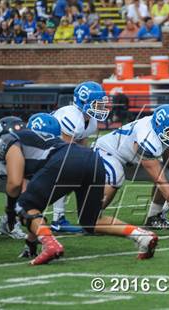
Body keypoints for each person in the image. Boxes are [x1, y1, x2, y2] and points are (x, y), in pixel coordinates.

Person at [0, 116, 158, 265]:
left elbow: (14, 184)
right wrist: (31, 241)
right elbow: (36, 209)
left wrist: (11, 208)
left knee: (23, 204)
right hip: (91, 159)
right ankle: (141, 236)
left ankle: (50, 245)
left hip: (65, 162)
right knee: (90, 221)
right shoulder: (39, 139)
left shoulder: (9, 139)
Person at [93, 104, 169, 229]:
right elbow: (159, 180)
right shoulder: (146, 136)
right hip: (105, 152)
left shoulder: (163, 132)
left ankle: (154, 217)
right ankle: (91, 217)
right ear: (159, 126)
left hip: (129, 161)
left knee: (168, 174)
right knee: (117, 175)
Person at [50, 81, 109, 233]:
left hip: (56, 149)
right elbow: (65, 150)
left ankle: (64, 218)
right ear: (84, 102)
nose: (101, 107)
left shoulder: (91, 120)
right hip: (43, 149)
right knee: (65, 175)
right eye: (97, 104)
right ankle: (57, 219)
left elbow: (81, 143)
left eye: (102, 104)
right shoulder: (72, 116)